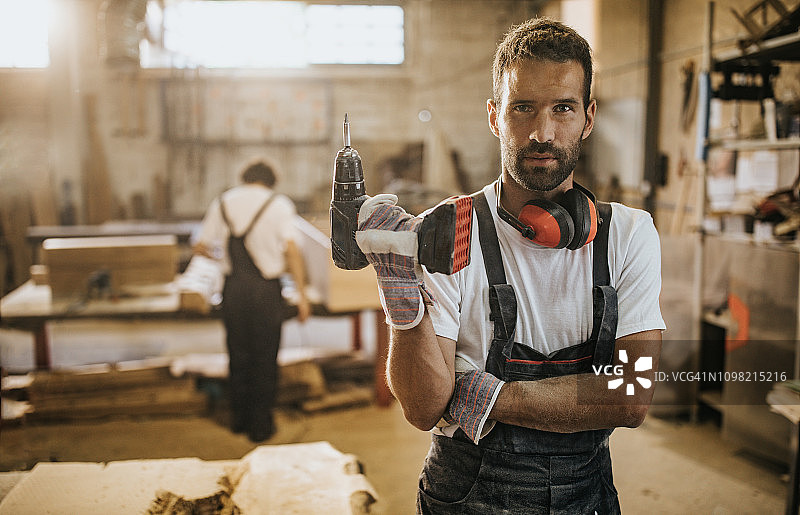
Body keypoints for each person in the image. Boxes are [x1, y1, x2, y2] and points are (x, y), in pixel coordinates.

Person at [354, 17, 665, 514]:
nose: (542, 132)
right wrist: (403, 307)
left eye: (563, 108)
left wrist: (493, 398)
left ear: (587, 118)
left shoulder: (628, 234)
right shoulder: (448, 231)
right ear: (495, 116)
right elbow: (425, 407)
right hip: (465, 490)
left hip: (587, 493)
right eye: (523, 108)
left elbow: (630, 396)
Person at [194, 159, 310, 443]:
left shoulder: (223, 201)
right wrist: (302, 294)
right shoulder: (279, 205)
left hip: (233, 290)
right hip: (266, 292)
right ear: (271, 181)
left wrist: (221, 258)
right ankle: (261, 426)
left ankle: (238, 420)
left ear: (244, 178)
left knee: (238, 355)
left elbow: (198, 245)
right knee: (265, 357)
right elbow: (292, 250)